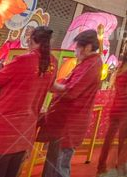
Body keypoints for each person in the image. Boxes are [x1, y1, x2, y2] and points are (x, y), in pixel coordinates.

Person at [0, 26, 56, 177]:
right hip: (25, 133)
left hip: (2, 133)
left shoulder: (23, 60)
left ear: (32, 40)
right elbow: (52, 86)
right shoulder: (52, 63)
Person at [39, 29, 103, 177]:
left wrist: (51, 85)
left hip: (69, 125)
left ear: (87, 47)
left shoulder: (91, 65)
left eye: (77, 47)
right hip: (64, 123)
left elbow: (72, 90)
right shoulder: (87, 63)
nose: (75, 51)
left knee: (58, 168)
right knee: (54, 164)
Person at [96, 49, 127, 176]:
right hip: (125, 110)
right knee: (123, 140)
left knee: (108, 139)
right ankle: (121, 165)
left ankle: (101, 165)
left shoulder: (117, 73)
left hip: (115, 108)